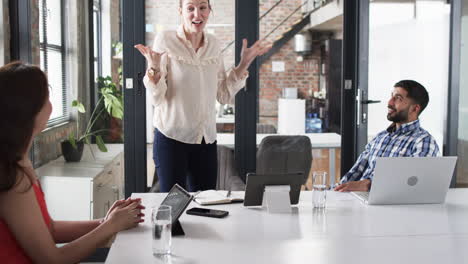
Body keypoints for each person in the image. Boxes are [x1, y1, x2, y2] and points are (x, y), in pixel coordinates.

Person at [0, 62, 144, 263]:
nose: (51, 103)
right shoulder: (12, 177)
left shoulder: (18, 161)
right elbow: (53, 259)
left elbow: (50, 229)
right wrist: (110, 226)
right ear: (28, 110)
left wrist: (106, 221)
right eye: (47, 97)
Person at [135, 0, 271, 192]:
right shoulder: (166, 40)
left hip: (205, 140)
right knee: (173, 209)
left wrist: (244, 64)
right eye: (190, 8)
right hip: (172, 138)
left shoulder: (213, 44)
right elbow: (157, 99)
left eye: (202, 8)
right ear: (180, 11)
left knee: (204, 207)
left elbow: (223, 95)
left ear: (209, 10)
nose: (197, 15)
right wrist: (154, 68)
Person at [334, 80, 440, 192]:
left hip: (391, 205)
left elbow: (413, 185)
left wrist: (369, 185)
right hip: (360, 199)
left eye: (398, 98)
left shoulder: (423, 142)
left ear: (415, 108)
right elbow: (356, 172)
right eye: (391, 96)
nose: (390, 102)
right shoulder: (380, 137)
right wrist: (336, 191)